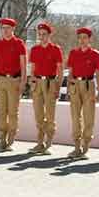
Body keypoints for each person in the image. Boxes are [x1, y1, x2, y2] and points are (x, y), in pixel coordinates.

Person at [0, 17, 27, 151]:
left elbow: (23, 65)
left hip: (14, 81)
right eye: (3, 28)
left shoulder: (19, 44)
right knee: (1, 111)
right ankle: (2, 139)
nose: (5, 31)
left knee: (12, 112)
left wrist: (23, 82)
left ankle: (11, 139)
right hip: (0, 80)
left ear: (13, 29)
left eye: (8, 28)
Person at [66, 27, 99, 159]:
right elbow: (70, 73)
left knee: (89, 117)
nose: (82, 40)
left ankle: (85, 146)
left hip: (89, 85)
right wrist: (69, 87)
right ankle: (76, 147)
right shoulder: (73, 53)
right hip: (76, 85)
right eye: (80, 37)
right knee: (75, 117)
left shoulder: (94, 54)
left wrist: (98, 91)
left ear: (89, 39)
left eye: (85, 37)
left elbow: (98, 74)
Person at [28, 22, 64, 154]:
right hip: (38, 82)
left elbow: (60, 70)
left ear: (49, 35)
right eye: (40, 34)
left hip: (50, 82)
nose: (42, 37)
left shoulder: (55, 49)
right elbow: (32, 68)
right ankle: (39, 142)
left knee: (49, 114)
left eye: (44, 34)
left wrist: (58, 87)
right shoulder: (35, 49)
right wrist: (32, 82)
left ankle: (48, 142)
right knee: (38, 114)